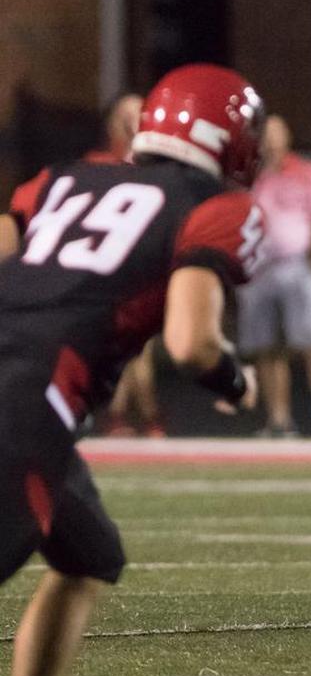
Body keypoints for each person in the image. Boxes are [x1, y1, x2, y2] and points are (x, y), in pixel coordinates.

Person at [0, 64, 265, 676]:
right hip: (26, 404)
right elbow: (191, 344)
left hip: (30, 401)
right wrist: (234, 379)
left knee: (89, 554)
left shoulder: (57, 180)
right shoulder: (215, 206)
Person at [238, 115, 311, 439]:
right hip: (259, 270)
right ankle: (278, 421)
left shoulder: (306, 173)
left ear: (287, 137)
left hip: (296, 266)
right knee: (266, 347)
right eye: (266, 135)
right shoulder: (249, 175)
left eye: (276, 134)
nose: (271, 141)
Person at [83, 94, 167, 438]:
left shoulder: (157, 164)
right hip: (107, 264)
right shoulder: (99, 163)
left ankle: (135, 415)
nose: (136, 119)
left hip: (144, 264)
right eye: (128, 114)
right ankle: (142, 416)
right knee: (124, 346)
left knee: (139, 347)